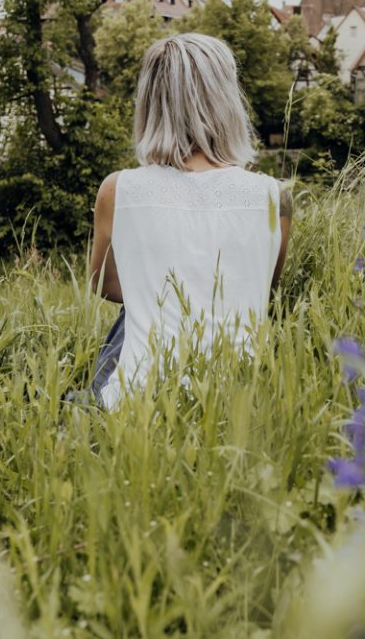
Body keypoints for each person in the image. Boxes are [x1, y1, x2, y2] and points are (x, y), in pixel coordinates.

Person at [88, 32, 292, 409]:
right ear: (227, 101)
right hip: (239, 396)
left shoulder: (118, 190)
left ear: (150, 105)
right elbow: (261, 290)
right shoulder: (273, 196)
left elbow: (106, 286)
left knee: (133, 311)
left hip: (138, 401)